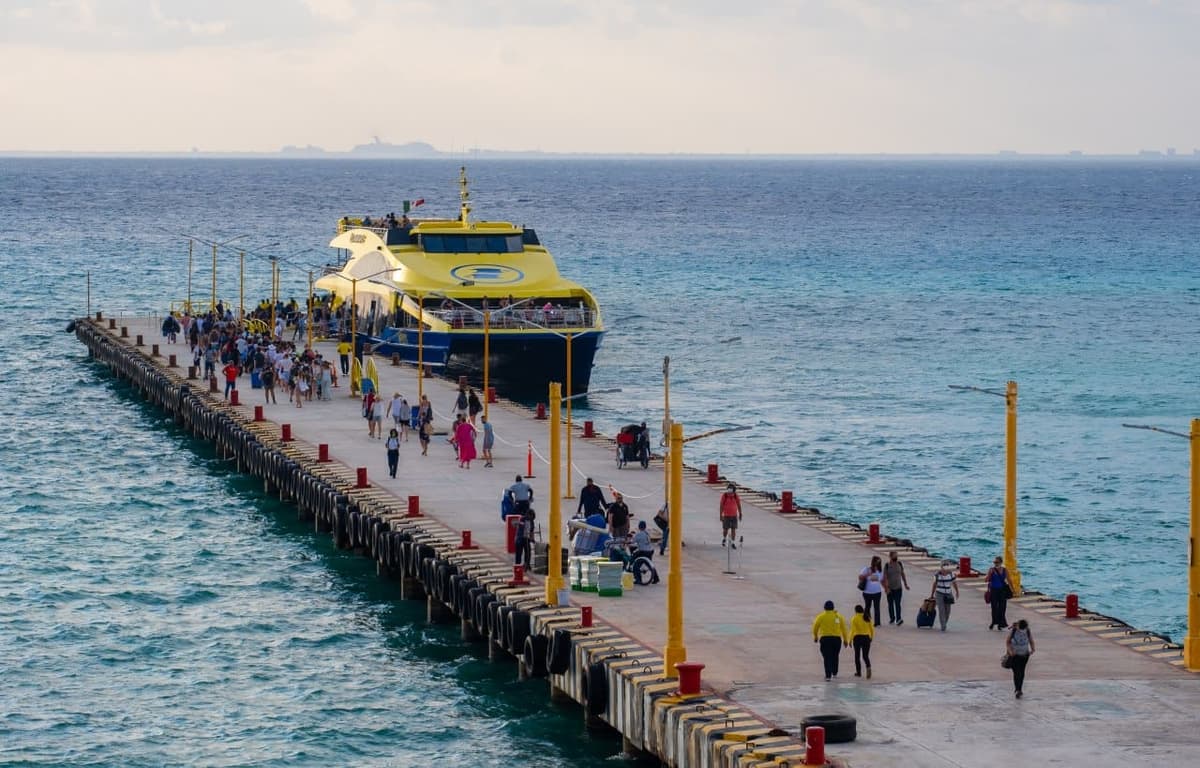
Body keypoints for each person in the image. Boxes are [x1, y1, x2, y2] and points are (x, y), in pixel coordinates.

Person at [812, 600, 850, 681]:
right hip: (836, 639)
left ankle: (828, 675)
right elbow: (844, 629)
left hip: (825, 639)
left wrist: (815, 636)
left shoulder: (821, 616)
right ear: (833, 607)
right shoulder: (839, 616)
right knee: (835, 656)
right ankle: (835, 672)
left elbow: (815, 627)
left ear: (824, 608)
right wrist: (845, 640)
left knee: (826, 657)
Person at [1006, 619, 1035, 698]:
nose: (1022, 631)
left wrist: (1032, 649)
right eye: (1021, 629)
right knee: (1016, 672)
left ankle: (1019, 689)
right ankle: (1017, 689)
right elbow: (1008, 642)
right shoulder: (1013, 631)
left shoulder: (1027, 631)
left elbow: (1031, 640)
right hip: (1015, 655)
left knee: (1021, 672)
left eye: (1023, 629)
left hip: (1024, 655)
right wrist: (1010, 651)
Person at [987, 556, 1015, 630]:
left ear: (1001, 563)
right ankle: (993, 622)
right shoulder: (991, 570)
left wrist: (1013, 589)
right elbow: (986, 580)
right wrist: (990, 574)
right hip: (994, 590)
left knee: (1002, 608)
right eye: (994, 562)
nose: (995, 564)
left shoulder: (1005, 570)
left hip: (1002, 591)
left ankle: (1000, 624)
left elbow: (1009, 580)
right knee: (994, 607)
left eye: (997, 562)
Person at [930, 560, 960, 631]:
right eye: (944, 566)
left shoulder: (951, 574)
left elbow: (954, 583)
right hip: (939, 593)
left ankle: (944, 623)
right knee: (941, 610)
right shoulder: (937, 575)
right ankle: (943, 626)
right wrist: (932, 594)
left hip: (948, 593)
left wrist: (957, 592)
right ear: (941, 567)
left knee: (948, 611)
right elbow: (934, 585)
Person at [883, 551, 910, 625]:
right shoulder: (887, 565)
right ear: (890, 556)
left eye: (897, 556)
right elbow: (885, 578)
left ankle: (898, 619)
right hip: (890, 588)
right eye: (895, 556)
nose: (896, 557)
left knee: (898, 603)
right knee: (890, 604)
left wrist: (905, 584)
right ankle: (892, 618)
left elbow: (902, 574)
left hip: (898, 588)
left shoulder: (899, 564)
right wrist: (886, 588)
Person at [850, 605, 874, 678]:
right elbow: (872, 629)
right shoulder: (867, 617)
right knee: (865, 656)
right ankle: (868, 667)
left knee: (857, 656)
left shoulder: (854, 618)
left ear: (856, 611)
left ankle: (859, 672)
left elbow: (853, 630)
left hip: (857, 638)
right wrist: (871, 637)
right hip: (866, 638)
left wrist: (850, 640)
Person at [860, 555, 885, 626]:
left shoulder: (880, 571)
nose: (878, 564)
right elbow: (860, 577)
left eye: (879, 562)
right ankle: (866, 620)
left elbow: (882, 580)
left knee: (877, 607)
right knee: (867, 607)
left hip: (877, 592)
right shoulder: (866, 569)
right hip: (867, 592)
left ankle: (877, 622)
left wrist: (886, 588)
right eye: (877, 562)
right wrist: (868, 574)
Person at [719, 483, 742, 548]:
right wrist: (720, 515)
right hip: (726, 515)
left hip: (734, 515)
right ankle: (724, 538)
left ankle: (732, 542)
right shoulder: (725, 495)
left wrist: (740, 513)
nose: (730, 492)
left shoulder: (735, 496)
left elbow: (739, 505)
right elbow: (721, 506)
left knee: (733, 529)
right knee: (725, 529)